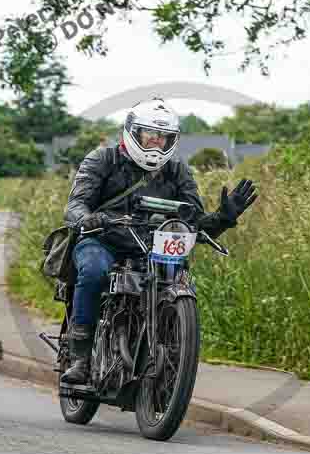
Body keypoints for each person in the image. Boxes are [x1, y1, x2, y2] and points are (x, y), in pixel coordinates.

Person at [60, 98, 258, 384]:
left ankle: (167, 350)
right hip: (104, 240)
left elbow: (193, 224)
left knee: (178, 279)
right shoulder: (102, 160)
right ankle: (80, 357)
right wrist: (88, 219)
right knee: (92, 270)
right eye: (149, 135)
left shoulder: (178, 171)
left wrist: (224, 217)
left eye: (163, 138)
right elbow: (75, 205)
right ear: (132, 132)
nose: (156, 143)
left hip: (153, 247)